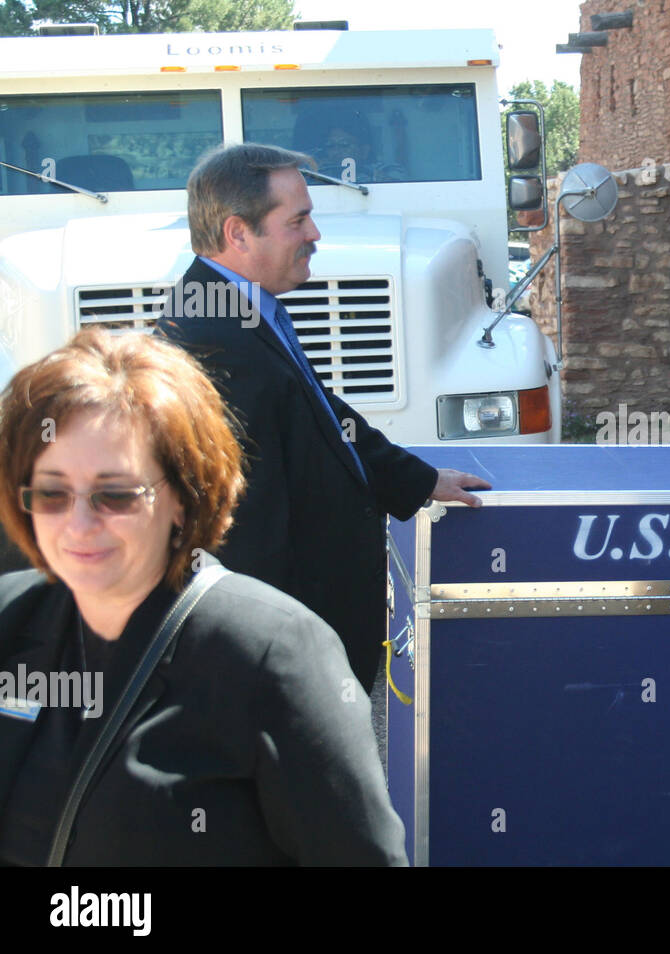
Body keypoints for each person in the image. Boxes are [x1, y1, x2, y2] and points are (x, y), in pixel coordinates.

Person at [0, 329, 407, 864]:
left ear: (183, 497)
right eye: (52, 492)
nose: (78, 524)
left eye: (115, 494)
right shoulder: (12, 614)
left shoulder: (273, 653)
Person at [157, 143, 488, 692]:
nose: (315, 235)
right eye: (299, 220)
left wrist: (421, 480)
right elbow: (243, 526)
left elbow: (324, 415)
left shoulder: (243, 306)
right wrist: (275, 658)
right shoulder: (211, 341)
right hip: (280, 652)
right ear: (238, 233)